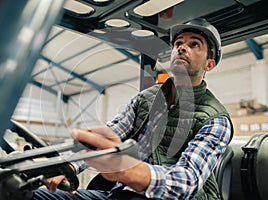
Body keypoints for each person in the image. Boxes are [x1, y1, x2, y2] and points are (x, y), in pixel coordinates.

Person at [33, 18, 233, 200]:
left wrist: (126, 170)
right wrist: (69, 166)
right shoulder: (146, 98)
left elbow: (188, 181)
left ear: (209, 64)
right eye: (178, 43)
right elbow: (111, 134)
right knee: (30, 194)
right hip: (123, 192)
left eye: (194, 44)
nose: (182, 48)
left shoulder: (216, 119)